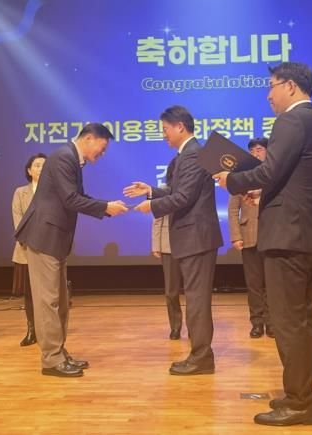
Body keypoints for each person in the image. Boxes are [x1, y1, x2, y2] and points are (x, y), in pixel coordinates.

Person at [214, 62, 312, 426]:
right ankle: (299, 396)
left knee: (290, 323)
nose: (268, 95)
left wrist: (231, 180)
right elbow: (288, 180)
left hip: (287, 238)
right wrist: (261, 193)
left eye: (272, 86)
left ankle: (300, 403)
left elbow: (269, 171)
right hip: (301, 234)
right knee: (300, 322)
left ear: (291, 86)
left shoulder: (291, 120)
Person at [15, 123, 128, 378]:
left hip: (55, 239)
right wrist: (105, 207)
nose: (102, 153)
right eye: (102, 147)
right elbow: (70, 199)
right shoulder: (64, 157)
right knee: (48, 302)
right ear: (89, 138)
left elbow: (77, 196)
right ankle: (51, 360)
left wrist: (105, 206)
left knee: (60, 301)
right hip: (44, 237)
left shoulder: (71, 159)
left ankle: (59, 352)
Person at [124, 105, 223, 376]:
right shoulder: (187, 154)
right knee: (195, 300)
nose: (163, 134)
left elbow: (183, 198)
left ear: (180, 126)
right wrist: (151, 191)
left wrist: (152, 205)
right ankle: (200, 355)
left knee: (197, 301)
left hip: (196, 237)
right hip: (193, 237)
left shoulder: (192, 154)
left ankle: (201, 358)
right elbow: (179, 191)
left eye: (165, 129)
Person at [227, 137, 272, 338]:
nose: (255, 153)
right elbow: (232, 210)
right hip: (248, 236)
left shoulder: (274, 173)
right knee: (254, 284)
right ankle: (257, 323)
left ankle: (272, 322)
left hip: (272, 235)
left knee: (272, 283)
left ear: (268, 152)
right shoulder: (242, 176)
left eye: (259, 149)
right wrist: (236, 236)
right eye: (252, 150)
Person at [12, 153, 46, 346]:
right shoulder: (20, 192)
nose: (41, 168)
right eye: (37, 165)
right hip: (25, 250)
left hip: (48, 249)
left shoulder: (55, 191)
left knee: (48, 294)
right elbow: (18, 221)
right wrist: (32, 240)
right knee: (30, 294)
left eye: (45, 165)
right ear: (29, 170)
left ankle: (47, 331)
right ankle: (32, 330)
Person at [151, 159, 183, 340]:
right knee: (171, 291)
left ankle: (195, 327)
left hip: (189, 244)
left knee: (193, 291)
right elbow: (157, 219)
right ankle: (175, 326)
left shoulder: (191, 187)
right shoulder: (162, 190)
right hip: (167, 244)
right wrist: (156, 245)